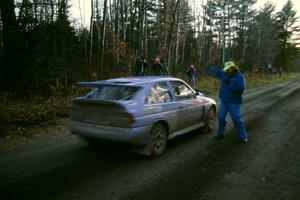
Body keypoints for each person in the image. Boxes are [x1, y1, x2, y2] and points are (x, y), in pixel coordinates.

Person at [206, 60, 248, 143]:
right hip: (224, 101)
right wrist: (210, 66)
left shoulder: (240, 77)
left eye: (229, 69)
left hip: (234, 102)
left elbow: (240, 89)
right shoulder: (225, 74)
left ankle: (243, 136)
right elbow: (217, 72)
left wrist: (230, 82)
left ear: (233, 68)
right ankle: (220, 133)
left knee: (236, 119)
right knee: (221, 117)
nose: (227, 70)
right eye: (226, 69)